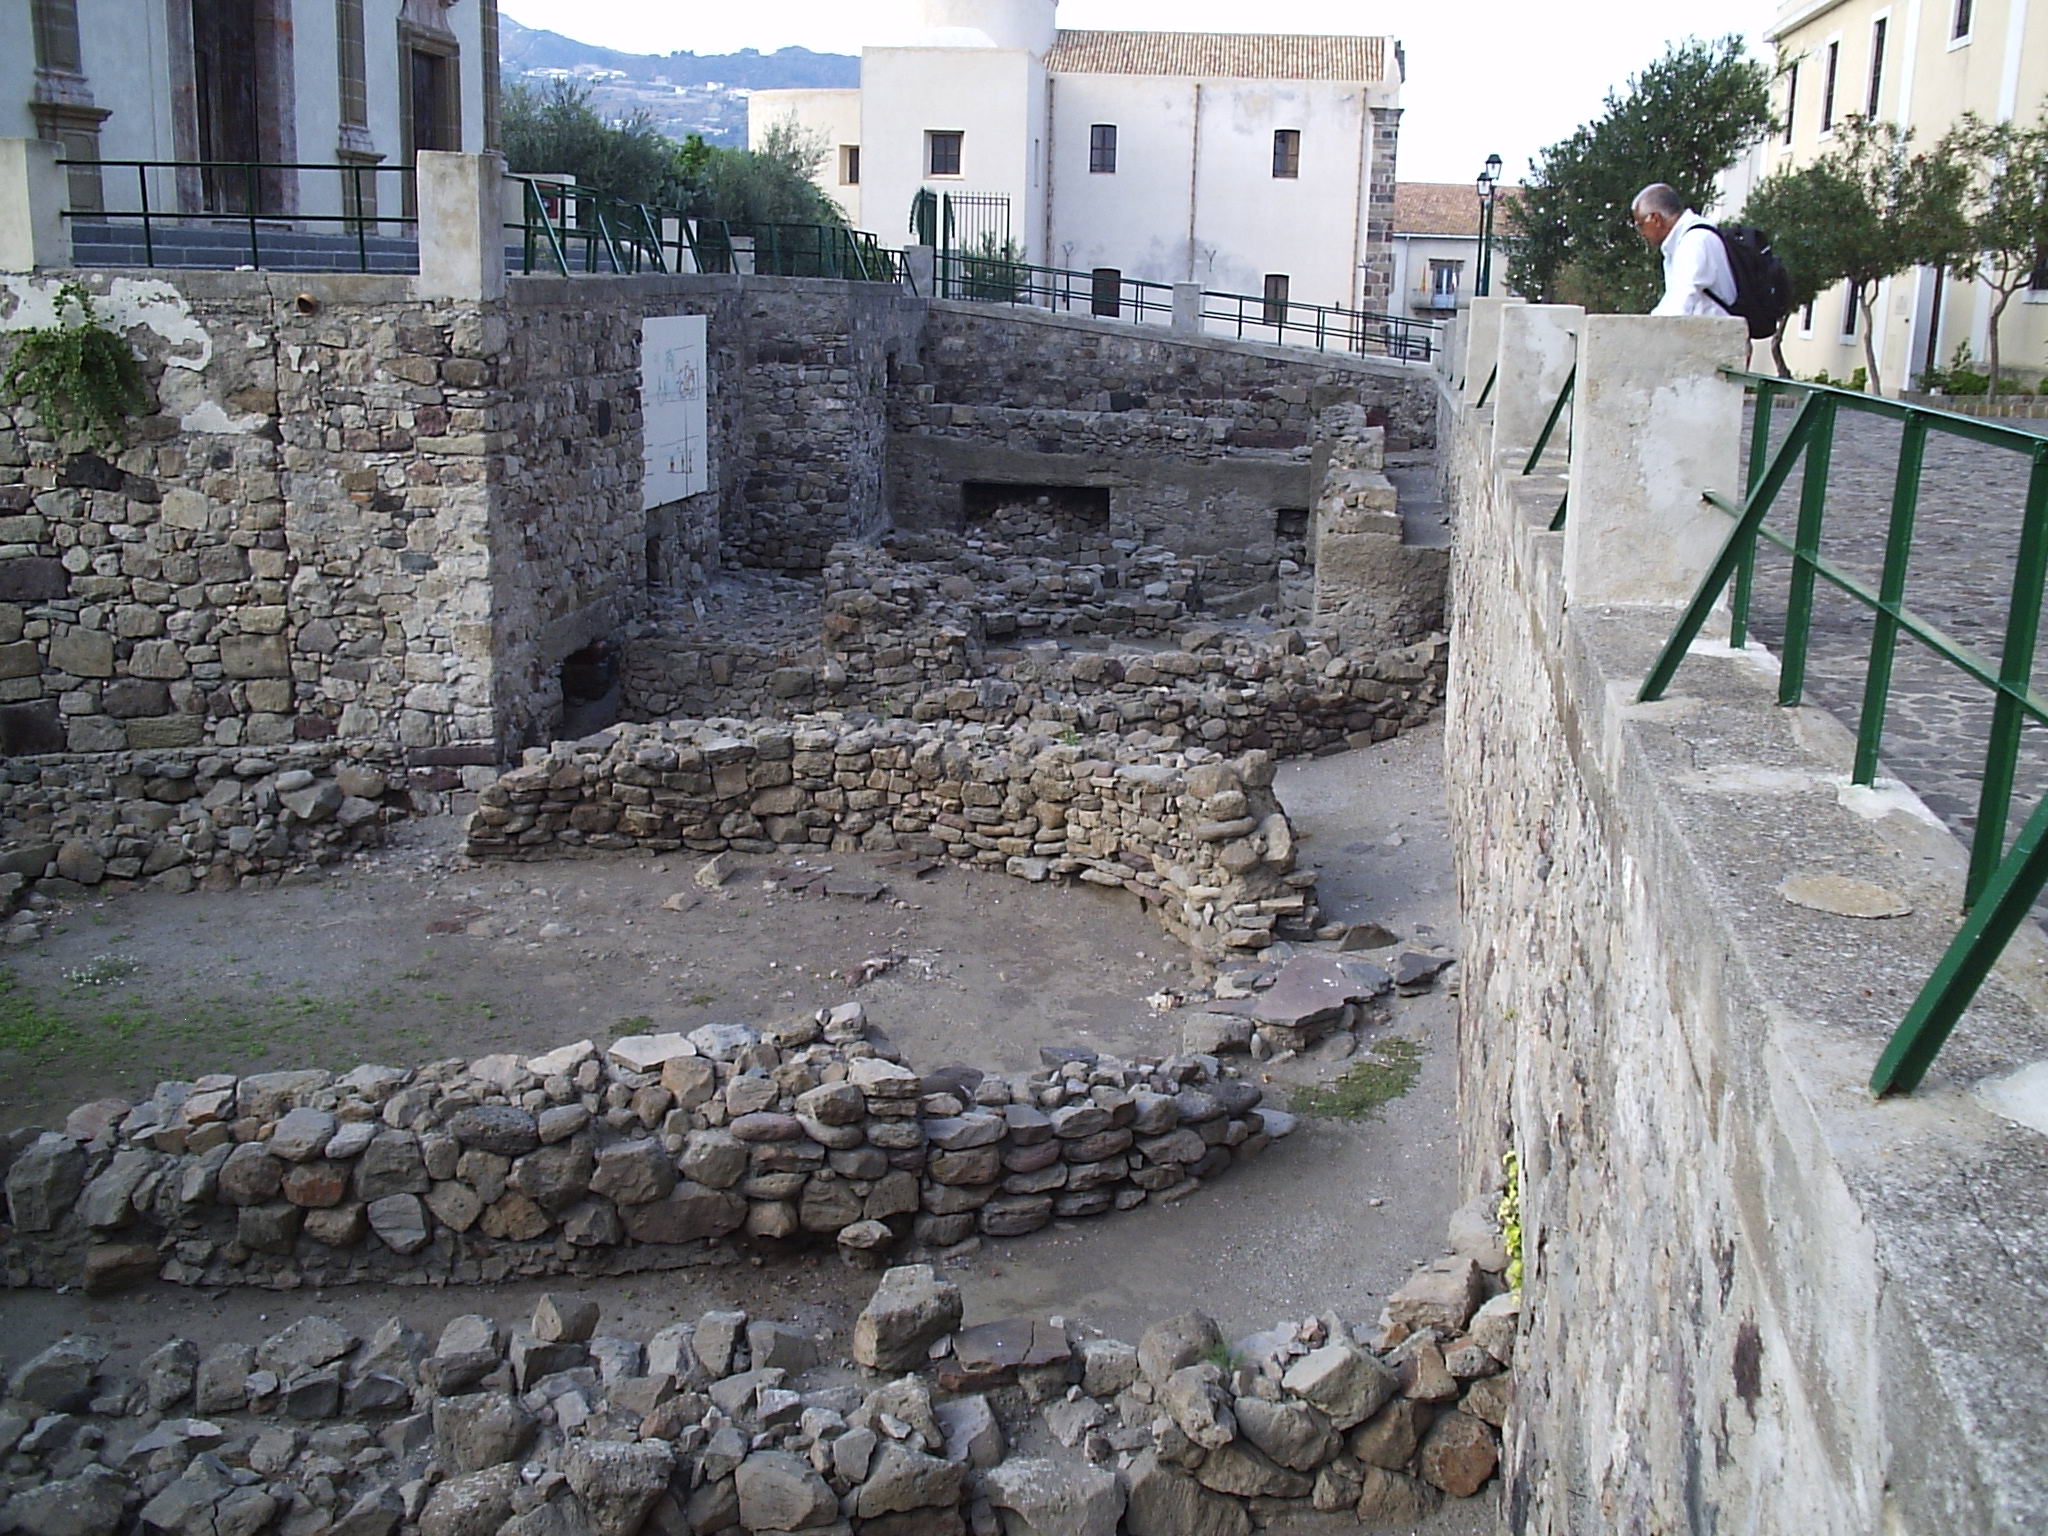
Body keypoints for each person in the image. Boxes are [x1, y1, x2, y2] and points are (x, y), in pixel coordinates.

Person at [1631, 183, 1737, 318]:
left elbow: (1679, 305)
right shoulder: (1685, 241)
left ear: (1656, 219)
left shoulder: (1694, 242)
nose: (1642, 233)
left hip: (1714, 335)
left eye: (1640, 225)